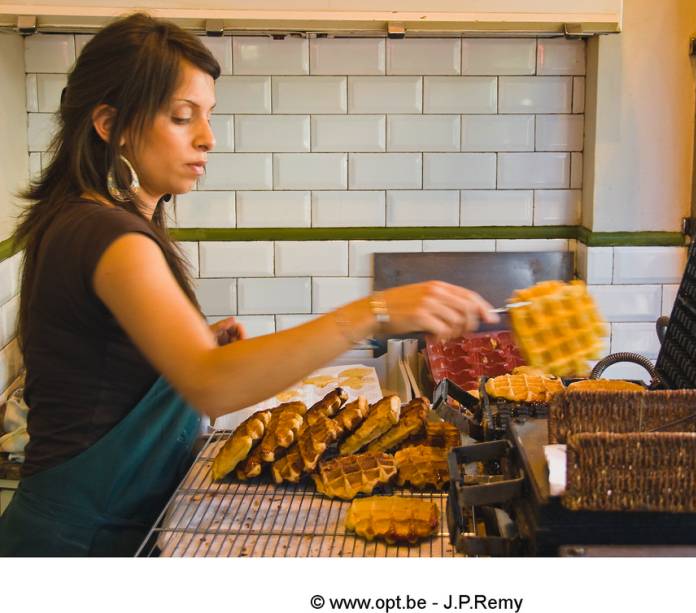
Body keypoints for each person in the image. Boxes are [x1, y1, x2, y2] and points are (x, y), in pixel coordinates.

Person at [0, 13, 498, 556]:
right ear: (108, 123)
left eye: (207, 116)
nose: (208, 138)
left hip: (95, 529)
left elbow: (102, 369)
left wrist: (176, 354)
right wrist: (371, 313)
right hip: (78, 548)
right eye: (180, 116)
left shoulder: (80, 218)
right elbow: (212, 385)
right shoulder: (108, 235)